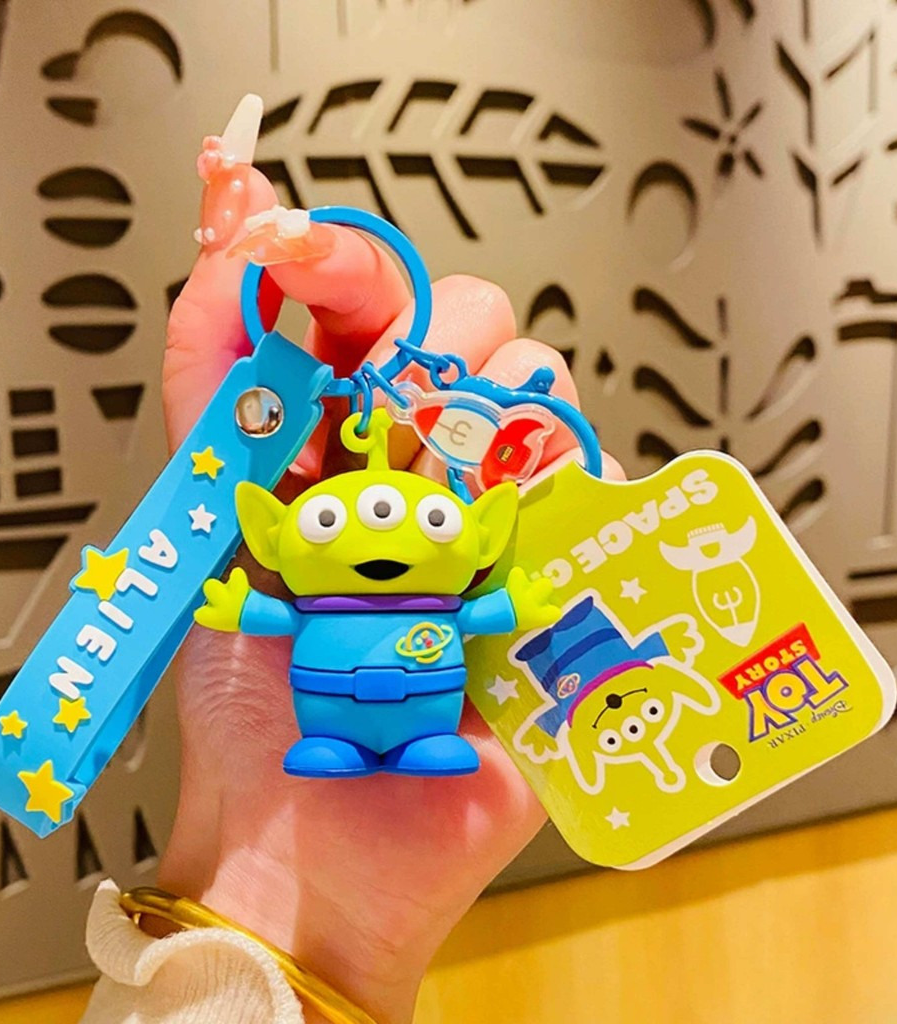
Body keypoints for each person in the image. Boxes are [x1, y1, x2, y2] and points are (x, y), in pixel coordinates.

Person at [81, 155, 624, 1024]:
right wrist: (237, 606)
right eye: (329, 523)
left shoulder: (437, 593)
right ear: (273, 533)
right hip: (326, 725)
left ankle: (418, 747)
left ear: (480, 535)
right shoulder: (292, 583)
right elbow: (270, 611)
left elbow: (487, 610)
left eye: (436, 524)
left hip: (419, 719)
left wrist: (516, 605)